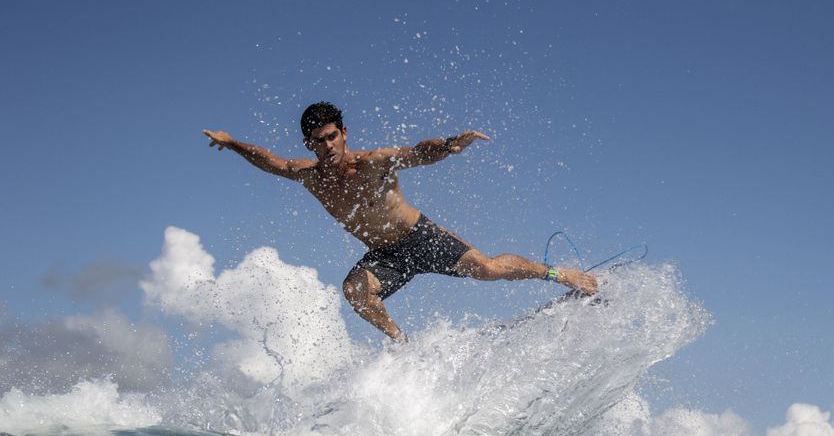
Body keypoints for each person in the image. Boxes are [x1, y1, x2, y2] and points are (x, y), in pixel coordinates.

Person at [203, 102, 597, 341]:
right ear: (309, 144)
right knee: (355, 292)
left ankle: (562, 275)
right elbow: (270, 161)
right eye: (318, 141)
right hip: (387, 255)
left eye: (332, 137)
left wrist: (447, 145)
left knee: (489, 269)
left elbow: (417, 153)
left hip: (420, 236)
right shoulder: (308, 174)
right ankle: (403, 346)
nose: (327, 147)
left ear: (343, 133)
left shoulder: (373, 162)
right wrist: (232, 142)